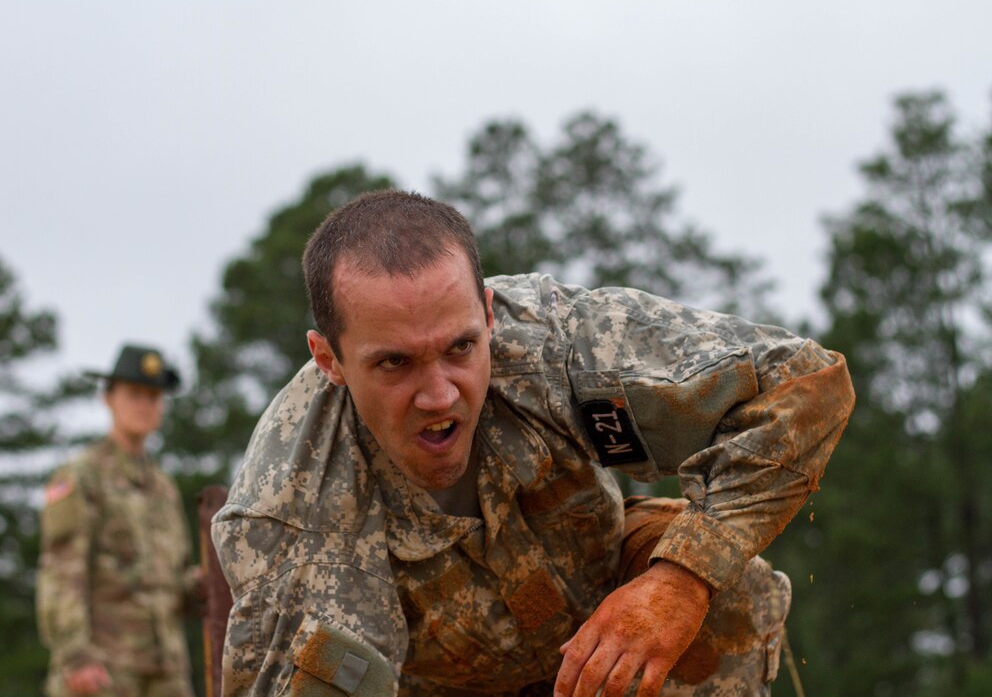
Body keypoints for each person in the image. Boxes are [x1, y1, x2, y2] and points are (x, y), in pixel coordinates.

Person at [212, 191, 855, 696]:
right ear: (329, 359)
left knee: (722, 585)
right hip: (437, 687)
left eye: (461, 347)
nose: (439, 395)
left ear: (490, 314)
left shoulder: (553, 345)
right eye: (395, 365)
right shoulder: (289, 512)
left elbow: (802, 383)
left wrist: (681, 580)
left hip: (604, 610)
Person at [37, 344, 203, 696]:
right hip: (105, 672)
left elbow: (175, 581)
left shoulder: (163, 488)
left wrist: (205, 585)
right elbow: (63, 572)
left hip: (167, 673)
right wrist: (76, 656)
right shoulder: (82, 478)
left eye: (154, 396)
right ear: (108, 398)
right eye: (135, 394)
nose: (146, 405)